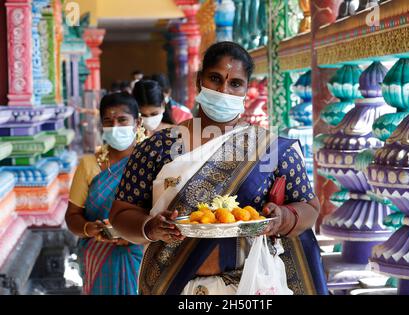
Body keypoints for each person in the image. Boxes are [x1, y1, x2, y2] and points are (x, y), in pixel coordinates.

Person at [109, 41, 327, 295]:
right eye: (215, 78)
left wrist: (283, 218)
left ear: (247, 89)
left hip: (250, 287)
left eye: (235, 83)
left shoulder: (271, 149)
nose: (224, 90)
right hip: (173, 286)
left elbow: (310, 209)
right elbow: (121, 214)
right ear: (199, 80)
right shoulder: (157, 147)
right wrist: (150, 227)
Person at [65, 92, 144, 295]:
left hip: (142, 253)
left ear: (138, 122)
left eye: (122, 120)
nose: (115, 127)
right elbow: (72, 215)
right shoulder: (89, 165)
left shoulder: (151, 163)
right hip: (98, 254)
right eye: (108, 121)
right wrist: (88, 228)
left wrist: (138, 235)